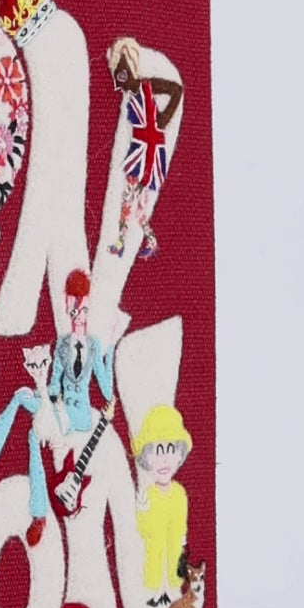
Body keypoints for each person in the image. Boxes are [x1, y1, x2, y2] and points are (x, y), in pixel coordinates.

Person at [0, 345, 65, 546]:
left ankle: (39, 515)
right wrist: (33, 391)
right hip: (47, 406)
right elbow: (51, 388)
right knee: (24, 411)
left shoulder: (80, 352)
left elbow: (62, 390)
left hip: (61, 414)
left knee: (34, 441)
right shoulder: (61, 349)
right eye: (33, 366)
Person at [106, 37, 183, 259]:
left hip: (149, 152)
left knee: (136, 201)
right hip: (139, 150)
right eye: (118, 76)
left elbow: (177, 89)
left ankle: (138, 240)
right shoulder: (134, 94)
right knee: (130, 199)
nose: (120, 81)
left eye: (122, 74)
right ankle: (131, 240)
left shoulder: (148, 87)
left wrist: (164, 118)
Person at [131, 405, 192, 607]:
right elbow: (143, 528)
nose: (164, 459)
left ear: (179, 454)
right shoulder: (149, 494)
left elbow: (181, 520)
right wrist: (143, 510)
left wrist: (182, 540)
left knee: (174, 571)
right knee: (155, 568)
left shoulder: (180, 494)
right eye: (157, 451)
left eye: (171, 450)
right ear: (146, 458)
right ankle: (156, 595)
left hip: (175, 548)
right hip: (153, 551)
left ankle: (173, 594)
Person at [48, 270, 117, 434]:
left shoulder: (93, 345)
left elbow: (107, 389)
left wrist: (112, 346)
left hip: (83, 417)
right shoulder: (63, 343)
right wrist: (49, 397)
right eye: (74, 312)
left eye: (84, 310)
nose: (79, 317)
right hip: (62, 417)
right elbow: (55, 380)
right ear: (68, 309)